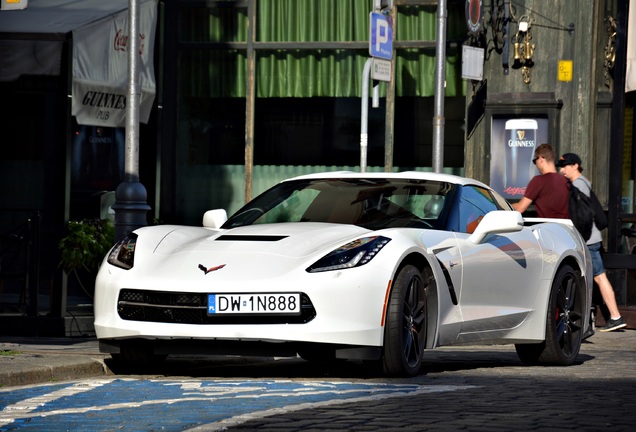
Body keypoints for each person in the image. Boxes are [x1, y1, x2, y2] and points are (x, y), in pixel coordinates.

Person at [557, 152, 627, 332]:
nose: (562, 170)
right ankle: (593, 320)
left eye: (565, 166)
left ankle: (615, 316)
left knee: (598, 277)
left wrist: (580, 236)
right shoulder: (583, 183)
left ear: (575, 166)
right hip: (591, 239)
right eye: (561, 166)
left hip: (588, 240)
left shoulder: (579, 185)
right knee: (593, 278)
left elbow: (583, 215)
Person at [511, 143, 569, 218]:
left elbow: (520, 208)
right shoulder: (566, 181)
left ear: (541, 159)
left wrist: (503, 207)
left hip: (546, 227)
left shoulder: (538, 181)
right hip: (565, 227)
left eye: (535, 161)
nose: (536, 165)